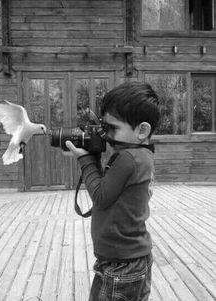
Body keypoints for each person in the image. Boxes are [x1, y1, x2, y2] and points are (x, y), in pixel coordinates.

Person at [65, 81, 160, 301]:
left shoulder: (127, 158)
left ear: (142, 130)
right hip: (131, 260)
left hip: (121, 266)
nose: (106, 134)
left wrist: (85, 160)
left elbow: (100, 196)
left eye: (112, 128)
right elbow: (111, 189)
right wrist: (94, 155)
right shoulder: (141, 155)